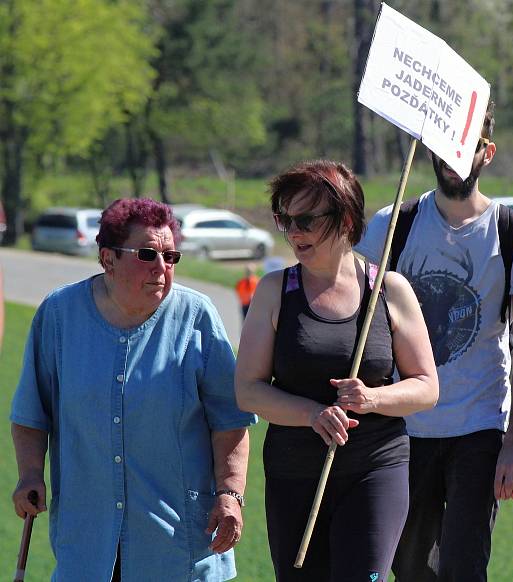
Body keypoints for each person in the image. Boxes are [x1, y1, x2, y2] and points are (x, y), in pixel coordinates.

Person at [10, 198, 256, 581]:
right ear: (107, 258)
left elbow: (230, 420)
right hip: (87, 544)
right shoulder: (59, 315)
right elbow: (30, 412)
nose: (162, 268)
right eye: (147, 254)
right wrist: (29, 475)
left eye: (171, 257)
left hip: (178, 548)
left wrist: (230, 494)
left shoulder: (198, 317)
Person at [356, 103, 513, 581]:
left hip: (479, 428)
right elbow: (358, 319)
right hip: (401, 428)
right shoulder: (390, 225)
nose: (451, 158)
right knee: (408, 568)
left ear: (487, 153)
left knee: (465, 568)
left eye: (464, 148)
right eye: (442, 146)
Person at [235, 160, 438, 581]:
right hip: (294, 473)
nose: (293, 232)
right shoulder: (275, 290)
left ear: (346, 219)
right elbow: (248, 390)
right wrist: (311, 414)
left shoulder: (389, 289)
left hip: (375, 468)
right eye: (284, 220)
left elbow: (426, 387)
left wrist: (373, 398)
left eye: (306, 220)